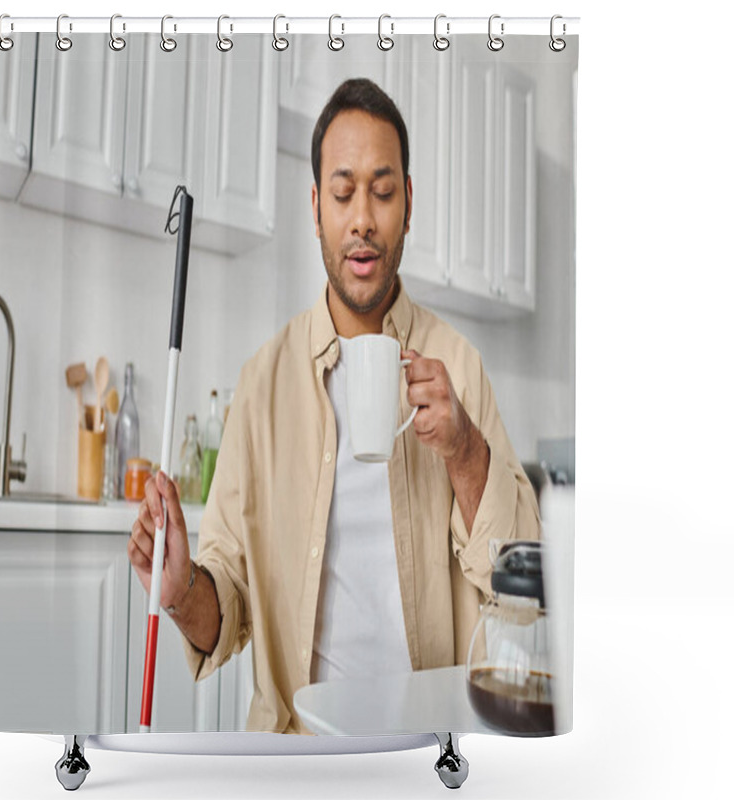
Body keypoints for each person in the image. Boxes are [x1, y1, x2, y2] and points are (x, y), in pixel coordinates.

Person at [128, 78, 540, 734]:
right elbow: (226, 608)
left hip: (429, 746)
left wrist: (464, 451)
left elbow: (521, 576)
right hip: (298, 749)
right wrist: (180, 593)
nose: (363, 220)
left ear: (409, 204)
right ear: (316, 205)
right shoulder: (262, 383)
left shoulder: (459, 364)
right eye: (344, 193)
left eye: (383, 192)